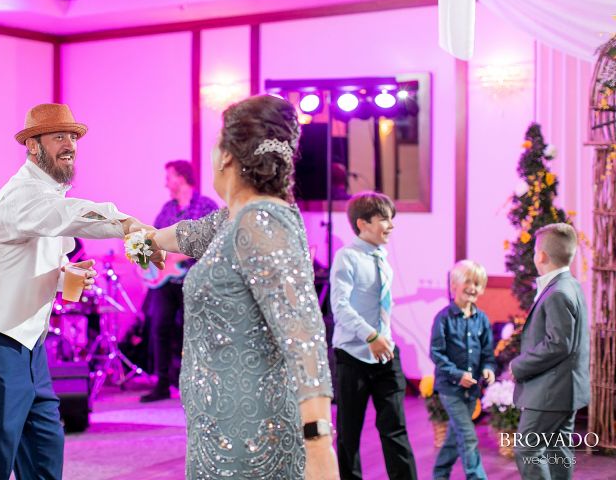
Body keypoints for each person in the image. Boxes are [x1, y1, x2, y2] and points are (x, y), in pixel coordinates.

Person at [0, 103, 160, 480]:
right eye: (59, 136)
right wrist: (130, 224)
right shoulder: (23, 195)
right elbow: (73, 216)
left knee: (46, 448)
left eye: (73, 137)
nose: (70, 145)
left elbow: (42, 253)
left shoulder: (50, 197)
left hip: (29, 345)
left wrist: (66, 278)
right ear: (32, 145)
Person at [143, 95, 338, 479]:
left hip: (249, 433)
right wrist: (130, 236)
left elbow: (303, 331)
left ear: (228, 156)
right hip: (218, 427)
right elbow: (189, 235)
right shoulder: (236, 219)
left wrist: (318, 443)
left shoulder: (260, 219)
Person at [330, 191, 417, 479]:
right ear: (362, 224)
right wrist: (370, 336)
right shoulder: (347, 258)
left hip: (385, 354)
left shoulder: (382, 257)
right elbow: (339, 307)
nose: (390, 225)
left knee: (396, 430)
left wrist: (381, 339)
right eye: (384, 219)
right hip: (352, 356)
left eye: (391, 219)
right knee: (348, 435)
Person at [510, 223, 589, 480]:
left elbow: (558, 344)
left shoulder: (558, 293)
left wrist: (519, 366)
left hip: (550, 391)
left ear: (541, 255)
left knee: (528, 449)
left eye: (534, 249)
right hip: (565, 389)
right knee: (558, 448)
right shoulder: (572, 285)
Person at [140, 160, 217, 403]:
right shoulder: (166, 209)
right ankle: (162, 383)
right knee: (159, 327)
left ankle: (196, 383)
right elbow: (153, 240)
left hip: (197, 279)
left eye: (169, 176)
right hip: (167, 282)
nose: (165, 182)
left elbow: (213, 240)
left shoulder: (206, 206)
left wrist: (178, 253)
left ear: (182, 178)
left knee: (193, 330)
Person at [430, 260, 496, 480]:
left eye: (478, 283)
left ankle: (439, 474)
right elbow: (436, 353)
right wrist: (457, 375)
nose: (473, 287)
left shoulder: (482, 320)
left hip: (472, 392)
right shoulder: (443, 318)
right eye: (468, 282)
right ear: (453, 286)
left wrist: (488, 369)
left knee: (454, 437)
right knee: (468, 436)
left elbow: (488, 353)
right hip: (450, 390)